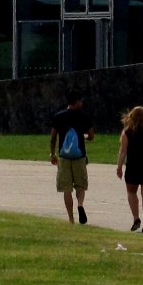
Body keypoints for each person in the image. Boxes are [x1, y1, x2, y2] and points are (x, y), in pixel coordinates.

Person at [48, 96, 95, 225]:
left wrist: (52, 153)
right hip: (79, 157)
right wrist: (83, 138)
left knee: (66, 189)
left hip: (64, 157)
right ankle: (80, 204)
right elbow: (91, 136)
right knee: (80, 185)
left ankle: (71, 219)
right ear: (77, 102)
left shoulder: (59, 116)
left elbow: (53, 137)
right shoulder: (83, 116)